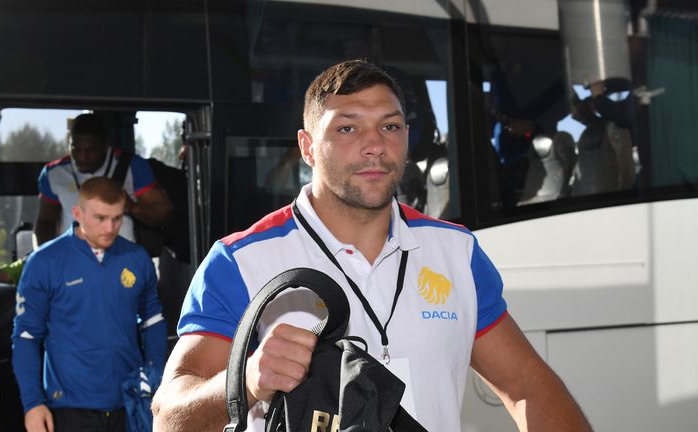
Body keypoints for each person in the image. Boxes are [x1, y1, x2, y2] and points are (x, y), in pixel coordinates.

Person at [151, 60, 592, 431]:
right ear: (307, 147)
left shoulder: (456, 252)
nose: (375, 145)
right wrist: (246, 380)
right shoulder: (240, 261)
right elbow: (168, 417)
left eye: (390, 126)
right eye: (347, 128)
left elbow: (528, 385)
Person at [12, 177, 167, 432]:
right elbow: (26, 337)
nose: (110, 227)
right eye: (100, 218)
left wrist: (156, 372)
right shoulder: (43, 262)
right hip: (70, 407)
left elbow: (153, 320)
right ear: (77, 212)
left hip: (130, 402)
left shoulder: (137, 258)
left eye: (117, 218)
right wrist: (32, 404)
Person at [34, 113, 171, 246]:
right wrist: (49, 260)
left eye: (91, 150)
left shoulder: (132, 166)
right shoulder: (54, 173)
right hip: (74, 261)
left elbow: (163, 214)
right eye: (76, 148)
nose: (83, 157)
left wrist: (132, 207)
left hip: (123, 259)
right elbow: (45, 223)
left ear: (106, 145)